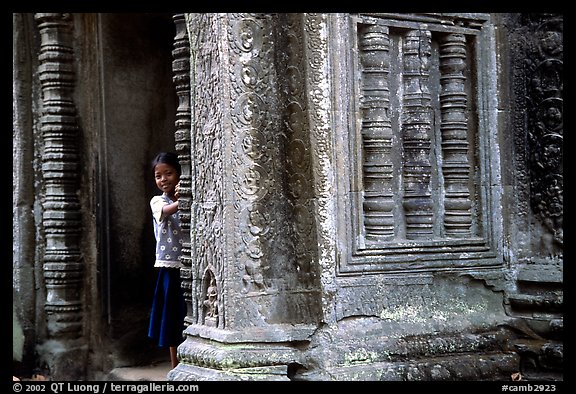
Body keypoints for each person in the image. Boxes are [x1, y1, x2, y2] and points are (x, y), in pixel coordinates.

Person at [147, 152, 186, 368]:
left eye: (169, 173)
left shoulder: (187, 198)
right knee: (171, 318)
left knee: (184, 314)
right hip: (169, 266)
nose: (163, 180)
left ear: (179, 174)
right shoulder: (157, 201)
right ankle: (175, 366)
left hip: (189, 264)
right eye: (158, 176)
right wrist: (183, 198)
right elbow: (165, 212)